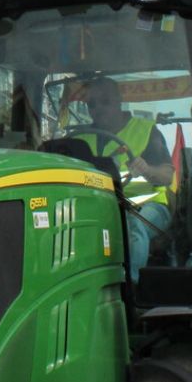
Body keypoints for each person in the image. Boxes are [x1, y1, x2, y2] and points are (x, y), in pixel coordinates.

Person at [69, 76, 174, 278]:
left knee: (131, 224)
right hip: (101, 206)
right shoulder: (79, 138)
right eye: (92, 104)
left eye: (105, 101)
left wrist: (147, 169)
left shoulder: (145, 130)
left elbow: (167, 176)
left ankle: (129, 287)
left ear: (118, 100)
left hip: (148, 205)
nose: (98, 108)